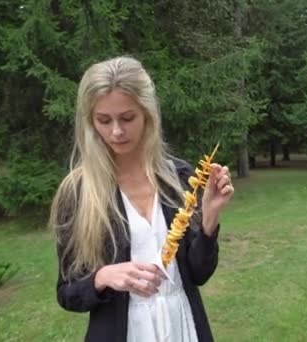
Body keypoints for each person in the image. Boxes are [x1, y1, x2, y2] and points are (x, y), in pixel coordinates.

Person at [49, 56, 234, 342]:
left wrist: (209, 219)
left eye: (127, 118)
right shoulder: (79, 192)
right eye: (103, 120)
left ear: (148, 114)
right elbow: (67, 293)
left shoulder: (179, 178)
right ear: (89, 121)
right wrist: (102, 278)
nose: (116, 131)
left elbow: (197, 274)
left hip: (182, 328)